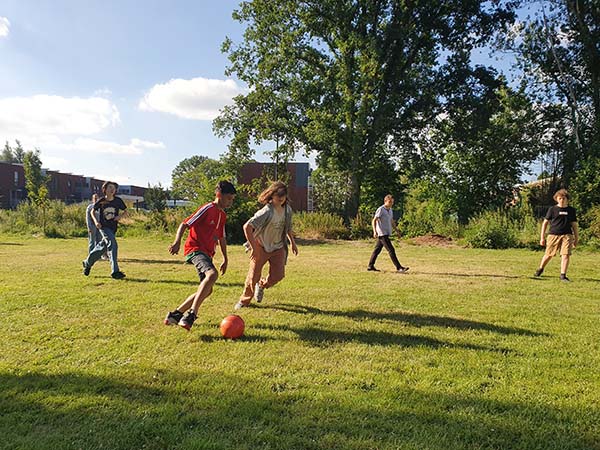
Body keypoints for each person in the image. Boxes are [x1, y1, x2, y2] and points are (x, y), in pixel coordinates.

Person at [164, 180, 236, 330]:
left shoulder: (222, 215)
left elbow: (222, 238)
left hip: (208, 253)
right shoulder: (207, 208)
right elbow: (185, 224)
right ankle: (191, 315)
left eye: (232, 199)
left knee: (207, 289)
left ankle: (175, 315)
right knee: (212, 274)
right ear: (218, 195)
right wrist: (177, 242)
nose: (231, 202)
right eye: (229, 198)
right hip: (195, 249)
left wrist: (225, 258)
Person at [234, 181, 298, 310]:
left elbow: (288, 228)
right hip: (261, 247)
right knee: (253, 276)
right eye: (277, 194)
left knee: (278, 275)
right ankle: (244, 301)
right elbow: (247, 226)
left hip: (278, 247)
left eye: (283, 195)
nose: (280, 198)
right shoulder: (266, 211)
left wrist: (293, 243)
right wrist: (254, 247)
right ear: (271, 195)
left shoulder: (287, 210)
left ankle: (262, 285)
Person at [82, 181, 128, 279]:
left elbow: (126, 211)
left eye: (114, 188)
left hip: (113, 228)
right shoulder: (101, 201)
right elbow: (92, 211)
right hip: (103, 227)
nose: (112, 189)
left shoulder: (118, 201)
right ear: (105, 190)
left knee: (102, 247)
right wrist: (95, 222)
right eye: (110, 187)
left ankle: (87, 263)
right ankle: (115, 271)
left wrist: (119, 217)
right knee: (113, 244)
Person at [534, 188, 579, 282]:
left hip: (567, 235)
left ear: (567, 199)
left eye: (564, 198)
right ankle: (540, 269)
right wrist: (542, 237)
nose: (562, 200)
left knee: (566, 254)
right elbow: (545, 223)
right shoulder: (552, 209)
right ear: (556, 199)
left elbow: (574, 225)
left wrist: (576, 238)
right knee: (548, 254)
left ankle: (563, 275)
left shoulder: (571, 210)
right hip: (553, 235)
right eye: (560, 198)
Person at [367, 194, 409, 273]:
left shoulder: (390, 210)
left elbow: (391, 221)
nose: (391, 203)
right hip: (382, 233)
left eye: (392, 202)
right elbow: (374, 220)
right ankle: (399, 268)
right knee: (391, 250)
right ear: (385, 201)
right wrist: (375, 231)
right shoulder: (381, 209)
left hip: (387, 232)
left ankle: (370, 266)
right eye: (390, 202)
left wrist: (397, 231)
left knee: (377, 250)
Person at [86, 193, 108, 260]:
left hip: (99, 226)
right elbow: (88, 218)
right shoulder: (90, 207)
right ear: (92, 199)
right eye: (94, 198)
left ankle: (98, 256)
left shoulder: (101, 207)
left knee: (99, 241)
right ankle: (91, 256)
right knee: (92, 241)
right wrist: (89, 227)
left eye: (97, 198)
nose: (95, 199)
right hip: (92, 226)